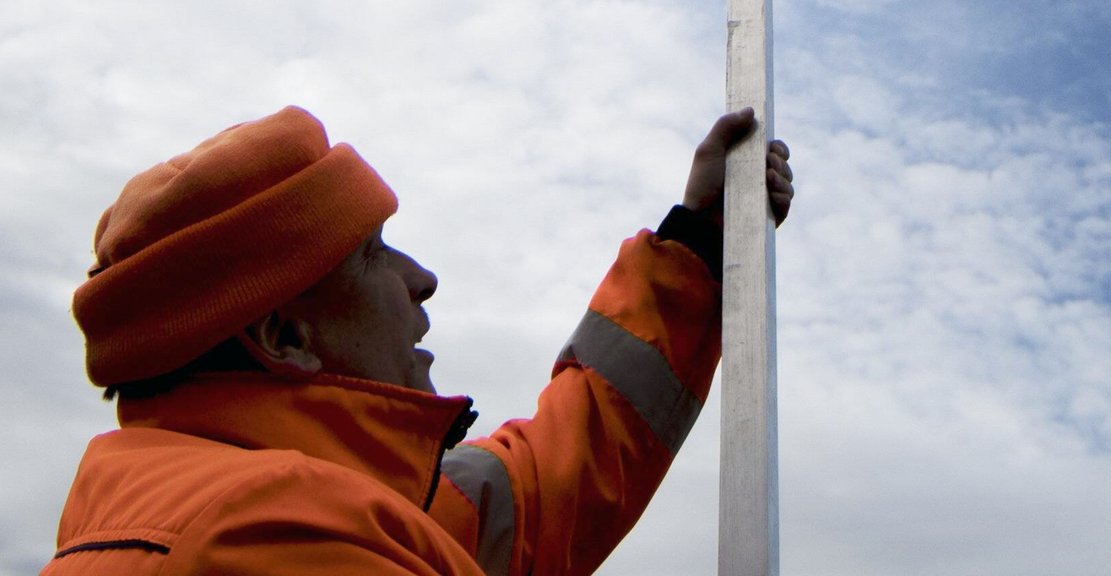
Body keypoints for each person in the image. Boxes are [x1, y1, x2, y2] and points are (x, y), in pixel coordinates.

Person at [44, 104, 793, 575]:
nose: (421, 277)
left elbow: (538, 494)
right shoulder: (268, 532)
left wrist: (695, 243)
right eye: (373, 252)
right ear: (284, 333)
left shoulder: (328, 503)